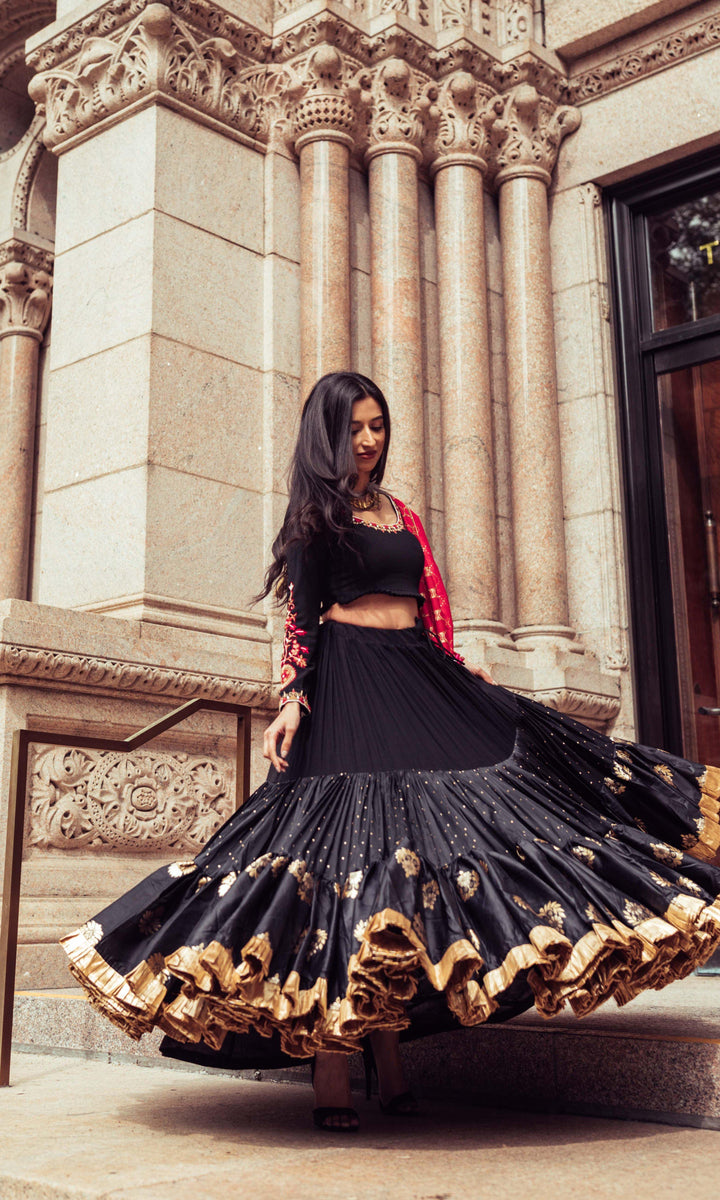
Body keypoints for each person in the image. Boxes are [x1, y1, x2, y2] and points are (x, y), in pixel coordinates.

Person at [61, 371, 720, 1133]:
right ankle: (334, 1069)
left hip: (418, 673)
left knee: (430, 846)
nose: (370, 440)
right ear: (328, 436)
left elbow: (430, 604)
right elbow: (302, 621)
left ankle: (392, 1056)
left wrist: (457, 667)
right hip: (349, 683)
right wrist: (291, 699)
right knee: (347, 858)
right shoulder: (315, 517)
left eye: (378, 425)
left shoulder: (400, 513)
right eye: (356, 429)